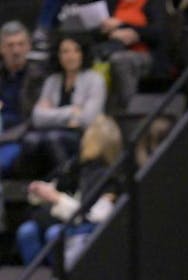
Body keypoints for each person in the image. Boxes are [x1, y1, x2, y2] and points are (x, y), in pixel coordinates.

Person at [17, 114, 121, 265]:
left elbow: (97, 217)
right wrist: (40, 190)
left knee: (55, 234)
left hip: (87, 226)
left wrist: (57, 198)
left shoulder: (111, 178)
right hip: (65, 219)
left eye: (88, 136)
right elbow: (56, 185)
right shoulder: (75, 166)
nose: (84, 141)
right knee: (27, 231)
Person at [20, 34, 106, 176]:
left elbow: (87, 119)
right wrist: (71, 111)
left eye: (76, 50)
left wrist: (51, 114)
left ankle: (66, 184)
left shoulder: (95, 80)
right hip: (52, 132)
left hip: (85, 135)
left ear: (83, 53)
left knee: (54, 138)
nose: (70, 56)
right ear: (58, 55)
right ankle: (31, 187)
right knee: (30, 140)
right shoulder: (52, 81)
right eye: (65, 51)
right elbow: (37, 117)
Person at [93, 0, 167, 114]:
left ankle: (130, 113)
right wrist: (107, 31)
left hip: (144, 53)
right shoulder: (112, 3)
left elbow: (158, 33)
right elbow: (99, 31)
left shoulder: (153, 2)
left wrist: (131, 31)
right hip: (111, 48)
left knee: (120, 60)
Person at [0, 20, 48, 176]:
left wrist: (5, 137)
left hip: (19, 137)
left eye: (21, 44)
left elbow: (35, 119)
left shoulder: (38, 77)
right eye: (10, 45)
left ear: (28, 47)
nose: (16, 51)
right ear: (1, 48)